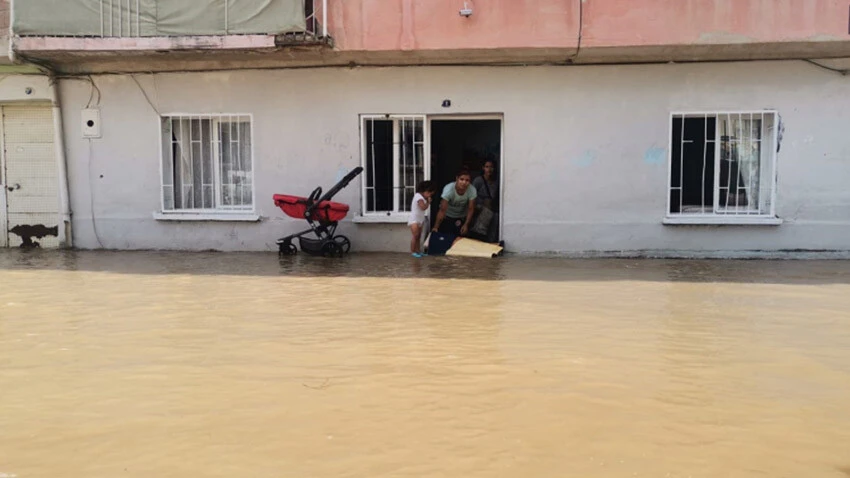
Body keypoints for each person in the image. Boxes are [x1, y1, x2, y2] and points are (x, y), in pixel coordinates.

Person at [432, 169, 477, 237]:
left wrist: (466, 224)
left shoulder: (472, 190)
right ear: (457, 179)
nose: (464, 182)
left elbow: (471, 208)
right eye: (461, 179)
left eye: (467, 180)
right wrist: (436, 227)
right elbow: (442, 209)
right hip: (447, 217)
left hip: (462, 218)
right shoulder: (449, 189)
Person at [472, 159, 500, 243]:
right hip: (480, 207)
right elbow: (472, 195)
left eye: (491, 167)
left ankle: (490, 242)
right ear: (483, 168)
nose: (489, 169)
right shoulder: (478, 180)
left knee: (495, 217)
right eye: (487, 167)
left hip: (492, 208)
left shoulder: (496, 181)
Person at [408, 180, 435, 257]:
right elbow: (423, 207)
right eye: (429, 193)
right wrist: (428, 202)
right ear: (425, 190)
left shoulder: (422, 197)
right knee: (415, 236)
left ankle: (418, 251)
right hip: (414, 220)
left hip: (420, 219)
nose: (429, 195)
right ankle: (413, 251)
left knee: (419, 236)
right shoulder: (418, 196)